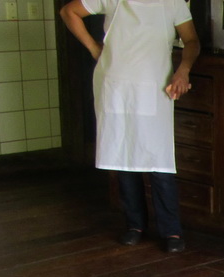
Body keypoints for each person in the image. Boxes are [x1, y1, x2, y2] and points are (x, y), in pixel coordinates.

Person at [60, 0, 200, 253]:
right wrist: (94, 48)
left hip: (155, 86)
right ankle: (135, 225)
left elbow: (191, 41)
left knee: (159, 159)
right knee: (123, 154)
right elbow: (68, 11)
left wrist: (183, 70)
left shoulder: (173, 2)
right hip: (116, 85)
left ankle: (171, 230)